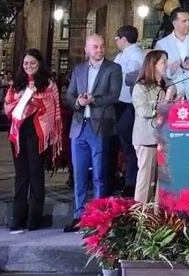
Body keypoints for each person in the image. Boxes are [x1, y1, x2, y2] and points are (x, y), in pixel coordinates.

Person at [63, 34, 122, 232]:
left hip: (101, 127)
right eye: (95, 47)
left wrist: (92, 99)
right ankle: (78, 215)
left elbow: (114, 95)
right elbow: (69, 94)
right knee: (79, 174)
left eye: (102, 46)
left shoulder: (113, 69)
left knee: (100, 175)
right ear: (86, 49)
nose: (100, 50)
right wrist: (78, 102)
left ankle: (99, 217)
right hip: (79, 127)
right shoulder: (79, 70)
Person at [3, 49, 63, 232]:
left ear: (40, 64)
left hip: (38, 133)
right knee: (21, 175)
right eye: (26, 63)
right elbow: (8, 106)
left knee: (36, 174)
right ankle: (18, 216)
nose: (29, 66)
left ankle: (34, 217)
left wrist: (36, 102)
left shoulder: (48, 84)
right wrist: (22, 100)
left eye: (33, 63)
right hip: (19, 133)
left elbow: (53, 107)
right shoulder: (17, 85)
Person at [132, 50, 178, 203]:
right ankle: (140, 214)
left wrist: (176, 100)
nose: (166, 65)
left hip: (165, 137)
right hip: (147, 138)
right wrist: (164, 103)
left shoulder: (169, 84)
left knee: (163, 180)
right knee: (146, 178)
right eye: (163, 62)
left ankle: (158, 214)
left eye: (166, 61)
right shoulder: (141, 87)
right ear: (153, 64)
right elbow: (144, 110)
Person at [114, 25, 145, 197]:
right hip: (119, 104)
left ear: (124, 39)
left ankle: (131, 182)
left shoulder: (136, 56)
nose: (116, 42)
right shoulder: (121, 55)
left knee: (130, 145)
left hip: (129, 104)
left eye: (116, 39)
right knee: (124, 145)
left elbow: (130, 78)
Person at [155, 8, 189, 102]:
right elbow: (156, 68)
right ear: (174, 23)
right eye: (184, 21)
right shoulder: (162, 44)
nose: (188, 24)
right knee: (173, 116)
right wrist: (171, 70)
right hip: (172, 91)